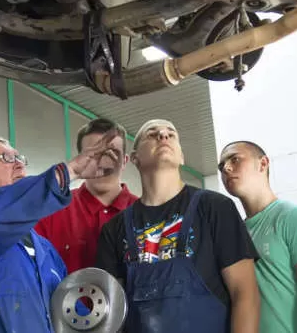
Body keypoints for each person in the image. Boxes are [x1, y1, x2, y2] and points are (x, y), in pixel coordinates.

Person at [0, 132, 120, 333]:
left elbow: (68, 315)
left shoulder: (46, 250)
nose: (19, 165)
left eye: (19, 158)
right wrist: (69, 172)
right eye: (6, 158)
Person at [96, 119, 261, 333]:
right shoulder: (114, 229)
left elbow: (245, 295)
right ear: (135, 158)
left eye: (171, 134)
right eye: (152, 134)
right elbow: (112, 317)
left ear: (181, 156)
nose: (163, 136)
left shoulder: (216, 208)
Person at [219, 140, 297, 333]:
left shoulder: (294, 217)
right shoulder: (235, 234)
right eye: (221, 166)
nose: (226, 168)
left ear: (263, 164)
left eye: (235, 159)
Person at [36, 118, 138, 273]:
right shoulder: (51, 212)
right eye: (93, 154)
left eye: (111, 153)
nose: (102, 163)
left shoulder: (147, 215)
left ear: (124, 161)